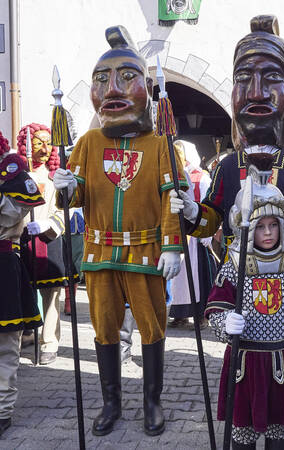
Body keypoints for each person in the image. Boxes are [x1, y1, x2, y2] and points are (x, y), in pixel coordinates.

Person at [170, 15, 284, 440]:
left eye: (270, 78)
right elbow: (209, 222)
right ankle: (247, 415)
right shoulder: (226, 168)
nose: (256, 92)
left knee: (280, 355)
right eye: (244, 78)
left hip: (283, 281)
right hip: (237, 278)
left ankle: (281, 411)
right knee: (243, 361)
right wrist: (190, 213)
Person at [52, 25, 185, 436]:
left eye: (126, 78)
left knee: (152, 326)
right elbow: (75, 199)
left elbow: (171, 199)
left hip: (146, 251)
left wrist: (173, 246)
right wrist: (66, 188)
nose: (112, 88)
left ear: (146, 87)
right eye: (102, 80)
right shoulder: (88, 143)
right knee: (105, 327)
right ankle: (111, 402)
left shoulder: (160, 142)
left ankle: (152, 402)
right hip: (99, 253)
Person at [204, 162, 284, 450]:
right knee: (243, 434)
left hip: (283, 361)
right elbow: (215, 309)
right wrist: (224, 323)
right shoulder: (235, 265)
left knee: (278, 433)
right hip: (245, 364)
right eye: (260, 226)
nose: (268, 233)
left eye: (273, 225)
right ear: (248, 227)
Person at [17, 123, 77, 365]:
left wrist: (47, 225)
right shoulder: (17, 174)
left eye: (47, 142)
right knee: (22, 292)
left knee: (51, 295)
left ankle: (50, 341)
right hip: (21, 241)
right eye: (38, 142)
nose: (43, 148)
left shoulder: (56, 176)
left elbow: (68, 208)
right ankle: (25, 336)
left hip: (48, 239)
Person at [0, 130, 44, 435]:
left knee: (5, 343)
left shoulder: (12, 168)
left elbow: (16, 210)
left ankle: (2, 408)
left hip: (3, 263)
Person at [168, 140, 216, 327]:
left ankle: (201, 315)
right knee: (180, 278)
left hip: (197, 234)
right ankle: (180, 313)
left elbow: (208, 204)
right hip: (181, 232)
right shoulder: (174, 174)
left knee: (199, 276)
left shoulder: (201, 177)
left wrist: (207, 234)